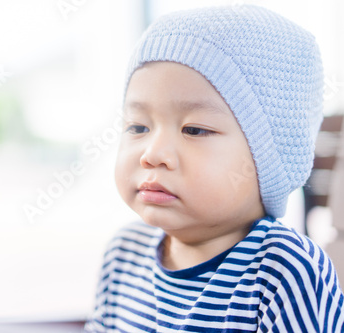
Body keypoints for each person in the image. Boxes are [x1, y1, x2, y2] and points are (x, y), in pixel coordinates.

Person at [83, 5, 344, 332]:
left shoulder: (282, 270)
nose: (152, 154)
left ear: (270, 156)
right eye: (137, 127)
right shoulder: (123, 255)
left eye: (194, 130)